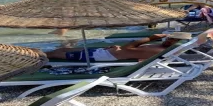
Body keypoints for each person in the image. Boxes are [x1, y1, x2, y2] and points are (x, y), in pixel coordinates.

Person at [45, 33, 192, 62]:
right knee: (63, 50)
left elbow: (128, 48)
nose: (168, 40)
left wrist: (151, 38)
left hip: (100, 57)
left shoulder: (158, 50)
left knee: (55, 54)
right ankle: (32, 54)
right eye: (169, 37)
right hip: (104, 52)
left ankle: (32, 57)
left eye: (172, 39)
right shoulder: (161, 47)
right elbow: (126, 49)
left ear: (176, 43)